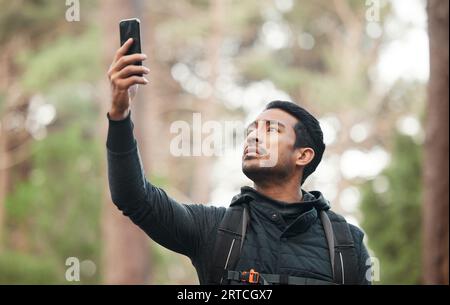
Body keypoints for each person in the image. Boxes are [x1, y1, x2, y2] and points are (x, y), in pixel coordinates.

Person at [106, 39, 371, 285]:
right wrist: (119, 113)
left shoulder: (347, 246)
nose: (254, 137)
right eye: (252, 130)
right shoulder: (213, 229)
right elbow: (133, 198)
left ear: (303, 155)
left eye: (271, 130)